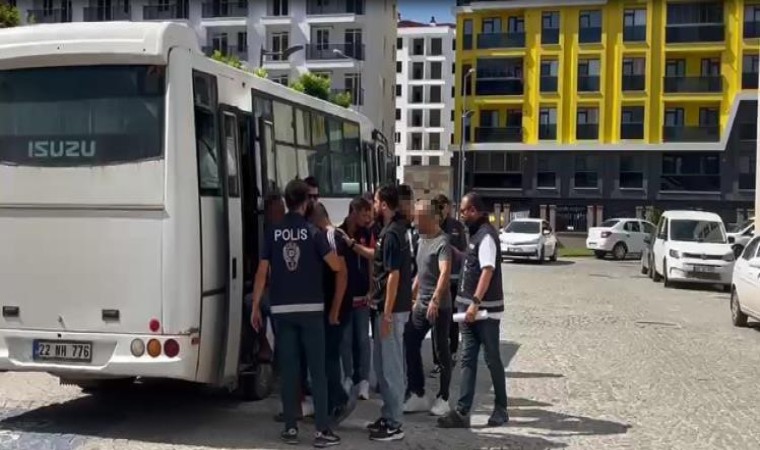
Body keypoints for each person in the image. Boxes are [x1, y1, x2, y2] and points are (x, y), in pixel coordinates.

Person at [250, 179, 346, 447]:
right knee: (317, 370)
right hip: (311, 309)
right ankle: (322, 430)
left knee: (289, 370)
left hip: (282, 309)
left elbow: (261, 272)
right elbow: (335, 266)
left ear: (286, 201)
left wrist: (256, 306)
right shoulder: (313, 232)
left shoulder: (274, 232)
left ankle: (291, 428)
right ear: (306, 203)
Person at [438, 192, 508, 429]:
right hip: (469, 311)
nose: (461, 215)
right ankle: (462, 411)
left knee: (492, 358)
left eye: (465, 210)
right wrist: (458, 254)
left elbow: (487, 270)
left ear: (475, 211)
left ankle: (501, 408)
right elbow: (473, 262)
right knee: (467, 358)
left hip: (484, 312)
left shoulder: (486, 236)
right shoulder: (476, 235)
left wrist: (475, 302)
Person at [366, 184, 412, 442]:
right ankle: (388, 414)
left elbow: (394, 275)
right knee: (382, 366)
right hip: (386, 306)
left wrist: (386, 314)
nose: (373, 205)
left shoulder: (393, 233)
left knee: (391, 367)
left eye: (375, 201)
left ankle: (395, 423)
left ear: (384, 204)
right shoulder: (392, 230)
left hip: (391, 310)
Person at [307, 203, 357, 426]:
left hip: (337, 308)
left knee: (329, 356)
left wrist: (335, 310)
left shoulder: (330, 237)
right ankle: (330, 404)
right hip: (334, 306)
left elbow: (342, 274)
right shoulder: (334, 235)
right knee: (328, 355)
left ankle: (339, 400)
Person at [403, 198, 453, 417]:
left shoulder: (443, 242)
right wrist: (411, 294)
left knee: (441, 350)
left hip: (439, 306)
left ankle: (444, 398)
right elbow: (421, 273)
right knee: (410, 340)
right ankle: (418, 392)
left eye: (419, 218)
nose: (415, 222)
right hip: (421, 304)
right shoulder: (421, 239)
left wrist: (435, 300)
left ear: (431, 219)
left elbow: (444, 273)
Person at [336, 197, 374, 401]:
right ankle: (348, 377)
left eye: (369, 214)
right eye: (364, 214)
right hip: (345, 296)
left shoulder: (366, 234)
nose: (367, 218)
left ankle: (364, 380)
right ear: (353, 212)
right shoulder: (339, 233)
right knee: (345, 339)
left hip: (362, 295)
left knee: (363, 339)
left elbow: (371, 261)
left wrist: (371, 288)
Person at [431, 194, 467, 374]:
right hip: (436, 280)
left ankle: (452, 352)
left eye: (445, 206)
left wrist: (455, 252)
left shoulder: (456, 227)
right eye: (440, 207)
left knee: (452, 319)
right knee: (435, 321)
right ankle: (437, 359)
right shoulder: (431, 225)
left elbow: (464, 252)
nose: (444, 210)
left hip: (453, 280)